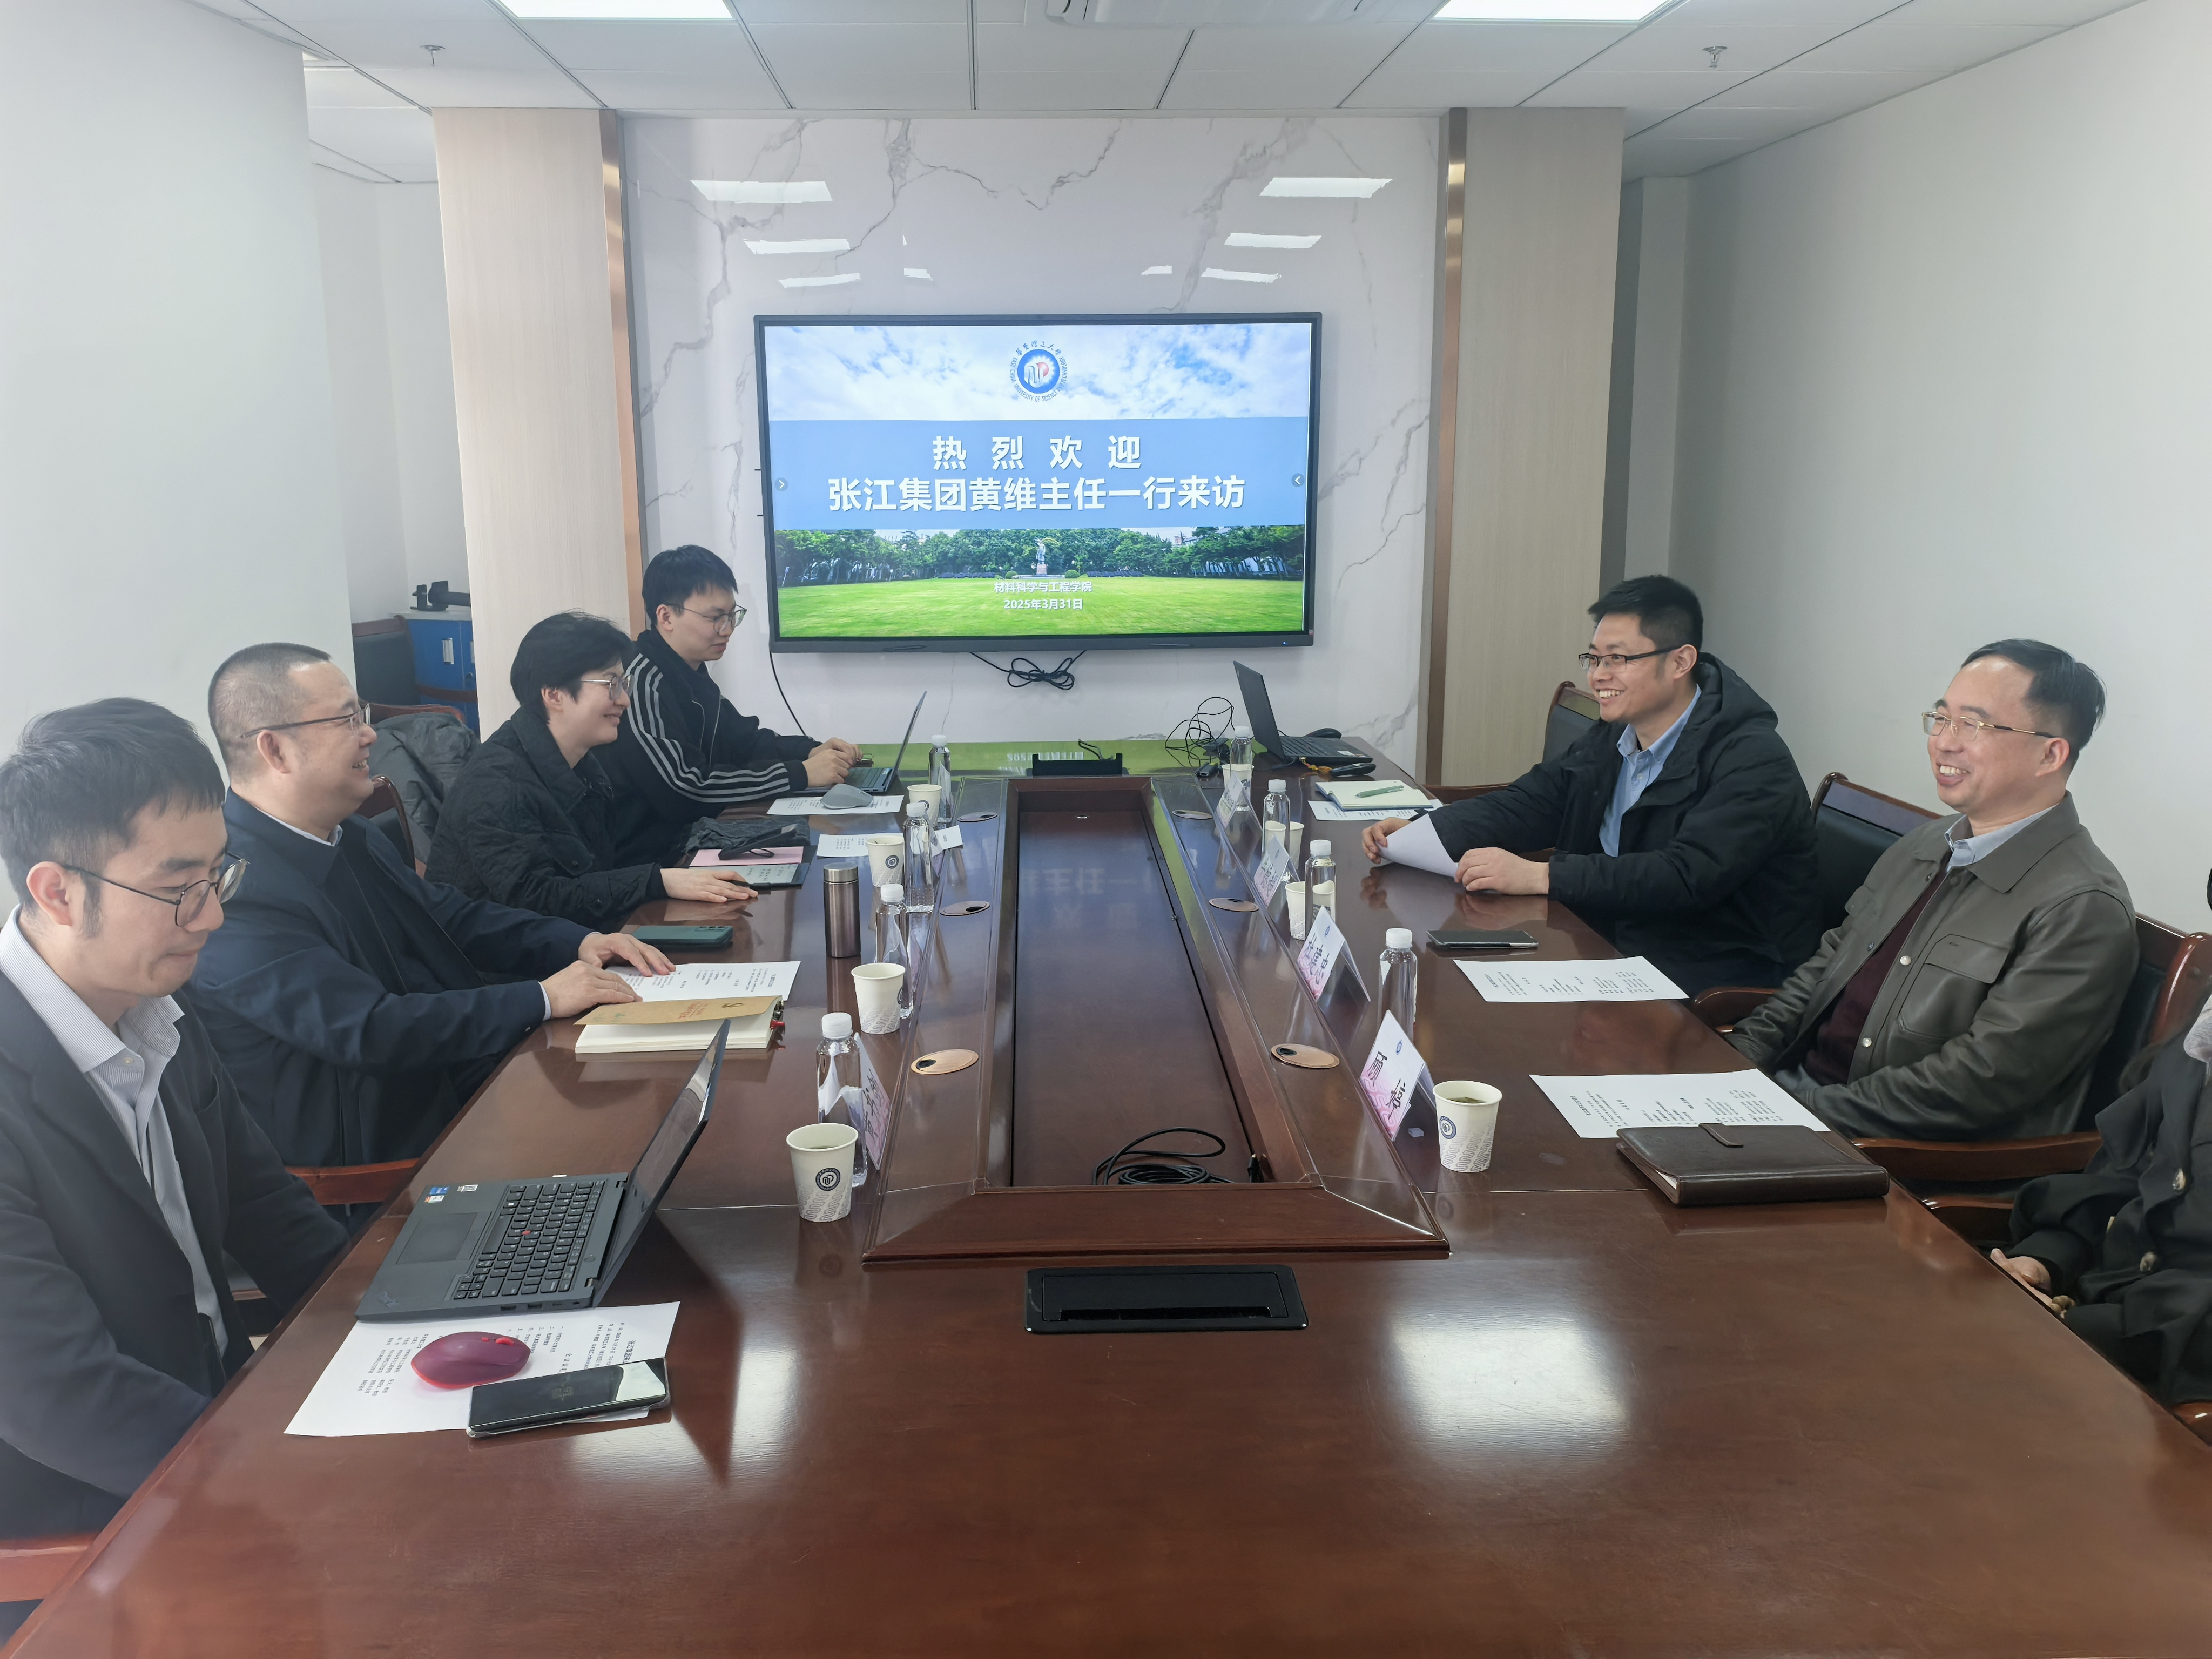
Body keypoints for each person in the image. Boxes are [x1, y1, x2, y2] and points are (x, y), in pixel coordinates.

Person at [0, 700, 347, 1557]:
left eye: (217, 877)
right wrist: (284, 1476)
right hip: (92, 1526)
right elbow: (61, 1397)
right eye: (176, 889)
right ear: (56, 892)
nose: (212, 917)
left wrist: (402, 1326)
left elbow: (271, 1213)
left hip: (215, 1427)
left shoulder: (155, 1007)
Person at [188, 643, 673, 1171]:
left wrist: (579, 942)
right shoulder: (236, 895)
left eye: (361, 715)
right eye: (347, 720)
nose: (370, 734)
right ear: (275, 750)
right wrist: (541, 997)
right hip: (384, 1163)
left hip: (456, 1084)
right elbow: (370, 1029)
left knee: (655, 1087)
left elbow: (450, 916)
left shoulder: (348, 835)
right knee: (631, 1130)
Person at [1727, 640, 2135, 1142]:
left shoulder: (2083, 908)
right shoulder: (1926, 842)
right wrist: (1735, 1064)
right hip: (1799, 1103)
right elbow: (1826, 968)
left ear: (2050, 754)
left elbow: (1977, 1082)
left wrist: (1795, 1113)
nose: (1944, 742)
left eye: (1973, 726)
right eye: (1941, 719)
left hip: (1889, 1152)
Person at [1360, 576, 1819, 995]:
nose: (1598, 676)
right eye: (1594, 658)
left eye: (1618, 659)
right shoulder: (1616, 734)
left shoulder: (1753, 760)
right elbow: (1535, 801)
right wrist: (1429, 832)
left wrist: (1542, 876)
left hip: (1712, 973)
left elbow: (1685, 876)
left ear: (1680, 661)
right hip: (1611, 943)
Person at [426, 612, 759, 930]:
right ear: (554, 694)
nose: (625, 700)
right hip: (506, 965)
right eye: (611, 684)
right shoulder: (497, 784)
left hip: (577, 943)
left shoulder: (584, 763)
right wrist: (658, 881)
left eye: (624, 684)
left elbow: (595, 876)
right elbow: (536, 901)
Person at [1992, 959, 2212, 1406]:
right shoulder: (2200, 1036)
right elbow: (2125, 1175)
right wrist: (2045, 1261)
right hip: (2092, 1310)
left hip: (2170, 1368)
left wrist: (2081, 1329)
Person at [601, 545, 861, 865]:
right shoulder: (640, 683)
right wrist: (800, 774)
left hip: (696, 839)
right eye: (715, 618)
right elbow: (685, 789)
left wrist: (810, 751)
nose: (727, 630)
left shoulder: (691, 672)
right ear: (666, 616)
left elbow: (745, 741)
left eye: (731, 616)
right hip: (654, 861)